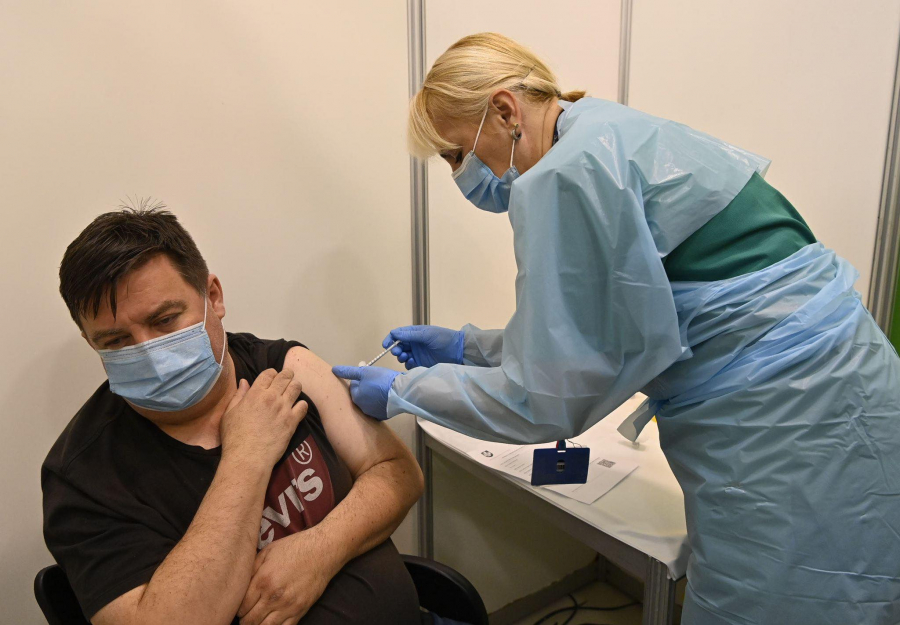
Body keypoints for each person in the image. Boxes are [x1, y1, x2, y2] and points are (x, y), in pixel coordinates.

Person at [333, 33, 900, 625]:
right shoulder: (601, 131)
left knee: (782, 600)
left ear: (504, 111)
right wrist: (466, 347)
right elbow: (600, 326)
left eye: (456, 155)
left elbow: (545, 397)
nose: (461, 175)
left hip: (786, 425)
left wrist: (404, 393)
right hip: (850, 384)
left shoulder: (563, 177)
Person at [43, 206, 427, 625]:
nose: (149, 354)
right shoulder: (84, 478)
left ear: (213, 297)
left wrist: (318, 553)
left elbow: (398, 472)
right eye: (116, 341)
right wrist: (246, 457)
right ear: (90, 342)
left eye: (165, 320)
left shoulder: (281, 366)